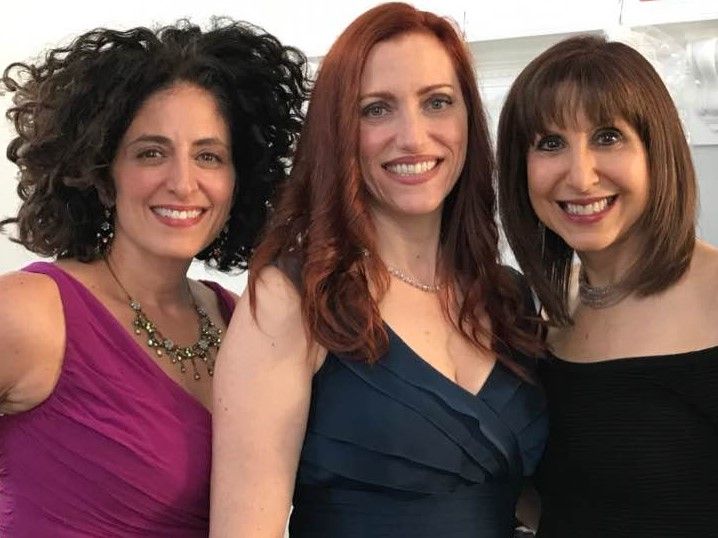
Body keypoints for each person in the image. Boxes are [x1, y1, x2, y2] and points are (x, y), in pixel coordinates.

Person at [210, 3, 547, 537]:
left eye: (437, 102)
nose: (413, 136)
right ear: (338, 132)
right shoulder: (290, 299)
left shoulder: (509, 298)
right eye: (376, 109)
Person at [0, 18, 307, 537]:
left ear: (239, 180)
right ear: (102, 174)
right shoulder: (30, 312)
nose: (183, 183)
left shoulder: (239, 319)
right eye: (151, 153)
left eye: (208, 156)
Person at [497, 34, 718, 537]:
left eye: (608, 137)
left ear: (656, 152)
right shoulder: (548, 316)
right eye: (550, 144)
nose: (581, 176)